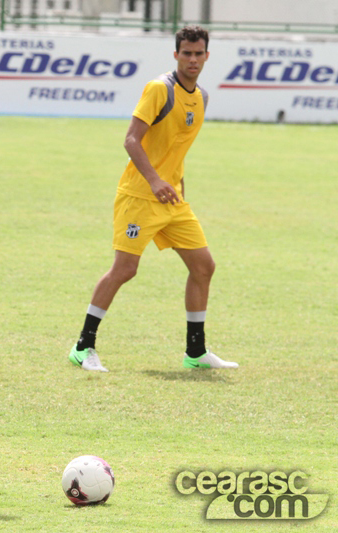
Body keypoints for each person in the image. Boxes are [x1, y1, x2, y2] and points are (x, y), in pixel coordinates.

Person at [68, 26, 238, 372]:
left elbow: (176, 148)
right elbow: (131, 140)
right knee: (125, 270)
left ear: (207, 56)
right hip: (140, 197)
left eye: (198, 53)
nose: (193, 59)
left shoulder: (202, 97)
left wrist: (177, 184)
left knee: (204, 266)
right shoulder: (160, 89)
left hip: (173, 199)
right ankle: (82, 347)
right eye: (186, 53)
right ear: (175, 55)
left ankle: (196, 352)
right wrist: (155, 179)